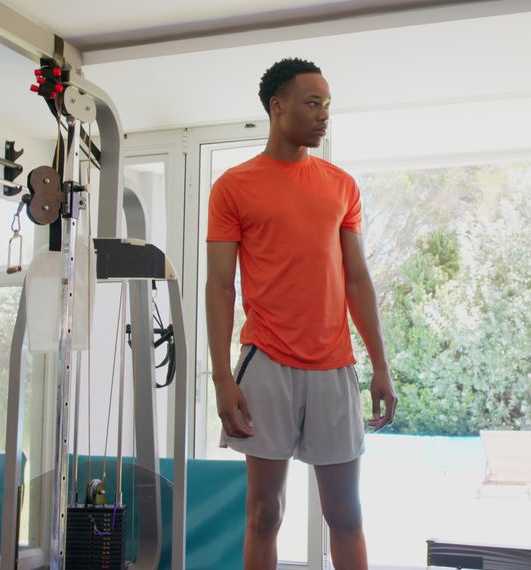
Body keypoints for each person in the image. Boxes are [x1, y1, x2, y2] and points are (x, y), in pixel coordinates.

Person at [204, 57, 397, 570]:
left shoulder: (341, 185)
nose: (324, 115)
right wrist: (222, 376)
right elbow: (220, 286)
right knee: (264, 512)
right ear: (277, 106)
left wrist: (380, 365)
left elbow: (357, 279)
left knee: (346, 513)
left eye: (328, 105)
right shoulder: (232, 187)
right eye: (313, 103)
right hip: (266, 364)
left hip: (334, 367)